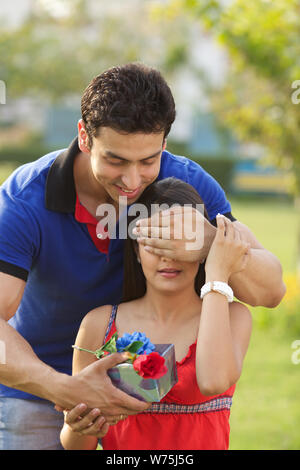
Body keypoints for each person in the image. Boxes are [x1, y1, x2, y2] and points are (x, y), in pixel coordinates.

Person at [0, 63, 285, 450]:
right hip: (39, 386)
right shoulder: (25, 199)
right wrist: (66, 388)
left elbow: (270, 292)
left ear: (164, 143)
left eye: (148, 161)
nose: (132, 182)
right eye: (116, 160)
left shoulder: (188, 184)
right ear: (84, 136)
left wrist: (209, 242)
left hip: (147, 391)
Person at [60, 177, 253, 450]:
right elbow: (78, 445)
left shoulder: (233, 317)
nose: (168, 257)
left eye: (180, 243)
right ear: (136, 250)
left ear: (202, 249)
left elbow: (213, 381)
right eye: (155, 242)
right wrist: (76, 423)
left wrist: (218, 270)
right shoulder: (99, 324)